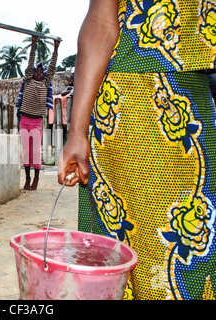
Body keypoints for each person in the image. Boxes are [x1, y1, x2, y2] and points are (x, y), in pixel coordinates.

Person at [59, 0, 216, 300]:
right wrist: (77, 132)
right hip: (139, 100)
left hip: (199, 92)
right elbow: (102, 21)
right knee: (157, 263)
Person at [17, 36, 60, 190]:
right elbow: (30, 61)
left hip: (36, 122)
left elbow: (53, 67)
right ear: (33, 73)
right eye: (38, 71)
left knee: (35, 152)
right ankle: (27, 179)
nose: (40, 73)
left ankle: (36, 179)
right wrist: (33, 43)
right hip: (24, 120)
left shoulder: (45, 83)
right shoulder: (28, 80)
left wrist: (56, 48)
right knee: (26, 153)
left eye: (42, 72)